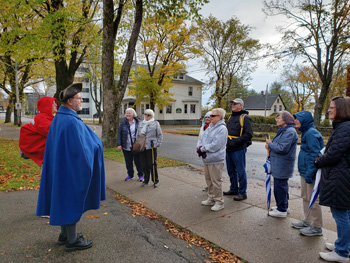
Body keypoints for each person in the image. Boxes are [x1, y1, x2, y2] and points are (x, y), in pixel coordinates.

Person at [36, 83, 106, 252]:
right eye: (78, 98)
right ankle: (72, 241)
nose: (81, 100)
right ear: (69, 101)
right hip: (70, 169)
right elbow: (82, 149)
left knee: (62, 198)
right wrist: (96, 144)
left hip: (60, 168)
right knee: (71, 199)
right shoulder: (70, 121)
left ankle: (65, 235)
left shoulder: (60, 118)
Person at [315, 96, 350, 263]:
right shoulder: (344, 127)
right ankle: (343, 245)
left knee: (341, 214)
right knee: (344, 213)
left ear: (341, 110)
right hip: (342, 176)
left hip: (340, 178)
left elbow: (332, 155)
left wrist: (317, 160)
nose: (328, 110)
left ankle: (342, 252)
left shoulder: (345, 128)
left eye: (332, 107)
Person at [291, 111, 324, 236]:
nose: (295, 121)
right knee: (305, 197)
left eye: (297, 119)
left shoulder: (311, 133)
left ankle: (316, 227)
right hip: (305, 171)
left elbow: (315, 155)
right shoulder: (306, 132)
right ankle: (308, 220)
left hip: (311, 172)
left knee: (313, 199)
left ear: (304, 120)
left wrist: (311, 173)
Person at [265, 111, 298, 218]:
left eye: (278, 118)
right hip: (279, 163)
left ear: (285, 119)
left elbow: (282, 148)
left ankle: (282, 209)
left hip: (283, 164)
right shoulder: (284, 130)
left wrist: (270, 144)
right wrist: (270, 146)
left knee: (280, 187)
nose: (276, 120)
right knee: (281, 186)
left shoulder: (289, 132)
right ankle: (283, 206)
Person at [197, 108, 228, 212]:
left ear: (220, 117)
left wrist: (202, 149)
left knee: (216, 181)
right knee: (209, 180)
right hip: (207, 159)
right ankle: (211, 198)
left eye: (213, 116)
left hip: (215, 159)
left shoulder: (222, 129)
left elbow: (216, 145)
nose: (210, 117)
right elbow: (202, 138)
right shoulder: (210, 127)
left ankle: (219, 202)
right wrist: (199, 146)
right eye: (210, 115)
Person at [224, 98, 253, 201]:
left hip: (238, 149)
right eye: (232, 103)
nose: (233, 105)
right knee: (231, 171)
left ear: (241, 106)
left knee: (240, 171)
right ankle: (234, 189)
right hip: (229, 148)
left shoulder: (245, 118)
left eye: (236, 104)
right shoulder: (231, 117)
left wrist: (235, 142)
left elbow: (248, 134)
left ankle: (242, 192)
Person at [19, 96, 57, 166]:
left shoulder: (47, 117)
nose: (56, 105)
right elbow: (52, 132)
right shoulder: (42, 118)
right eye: (53, 103)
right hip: (40, 150)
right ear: (47, 105)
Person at [137, 109, 163, 188]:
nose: (146, 116)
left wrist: (157, 144)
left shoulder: (155, 123)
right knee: (144, 165)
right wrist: (137, 143)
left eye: (148, 115)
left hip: (151, 147)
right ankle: (146, 180)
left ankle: (155, 181)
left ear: (152, 116)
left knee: (152, 164)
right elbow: (137, 134)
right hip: (142, 147)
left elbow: (160, 135)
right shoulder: (141, 123)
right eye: (145, 114)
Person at [117, 108, 144, 182]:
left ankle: (141, 175)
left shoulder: (138, 122)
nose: (128, 114)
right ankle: (130, 175)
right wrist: (119, 144)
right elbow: (119, 133)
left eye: (129, 113)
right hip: (126, 146)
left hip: (136, 146)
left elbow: (142, 134)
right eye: (126, 113)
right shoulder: (123, 123)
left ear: (133, 114)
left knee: (138, 161)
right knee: (128, 162)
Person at [197, 111, 212, 191]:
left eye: (209, 117)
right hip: (202, 151)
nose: (207, 118)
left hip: (209, 151)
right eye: (206, 117)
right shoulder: (203, 127)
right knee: (207, 172)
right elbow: (200, 138)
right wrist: (198, 148)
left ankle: (212, 187)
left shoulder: (213, 128)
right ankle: (208, 185)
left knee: (212, 172)